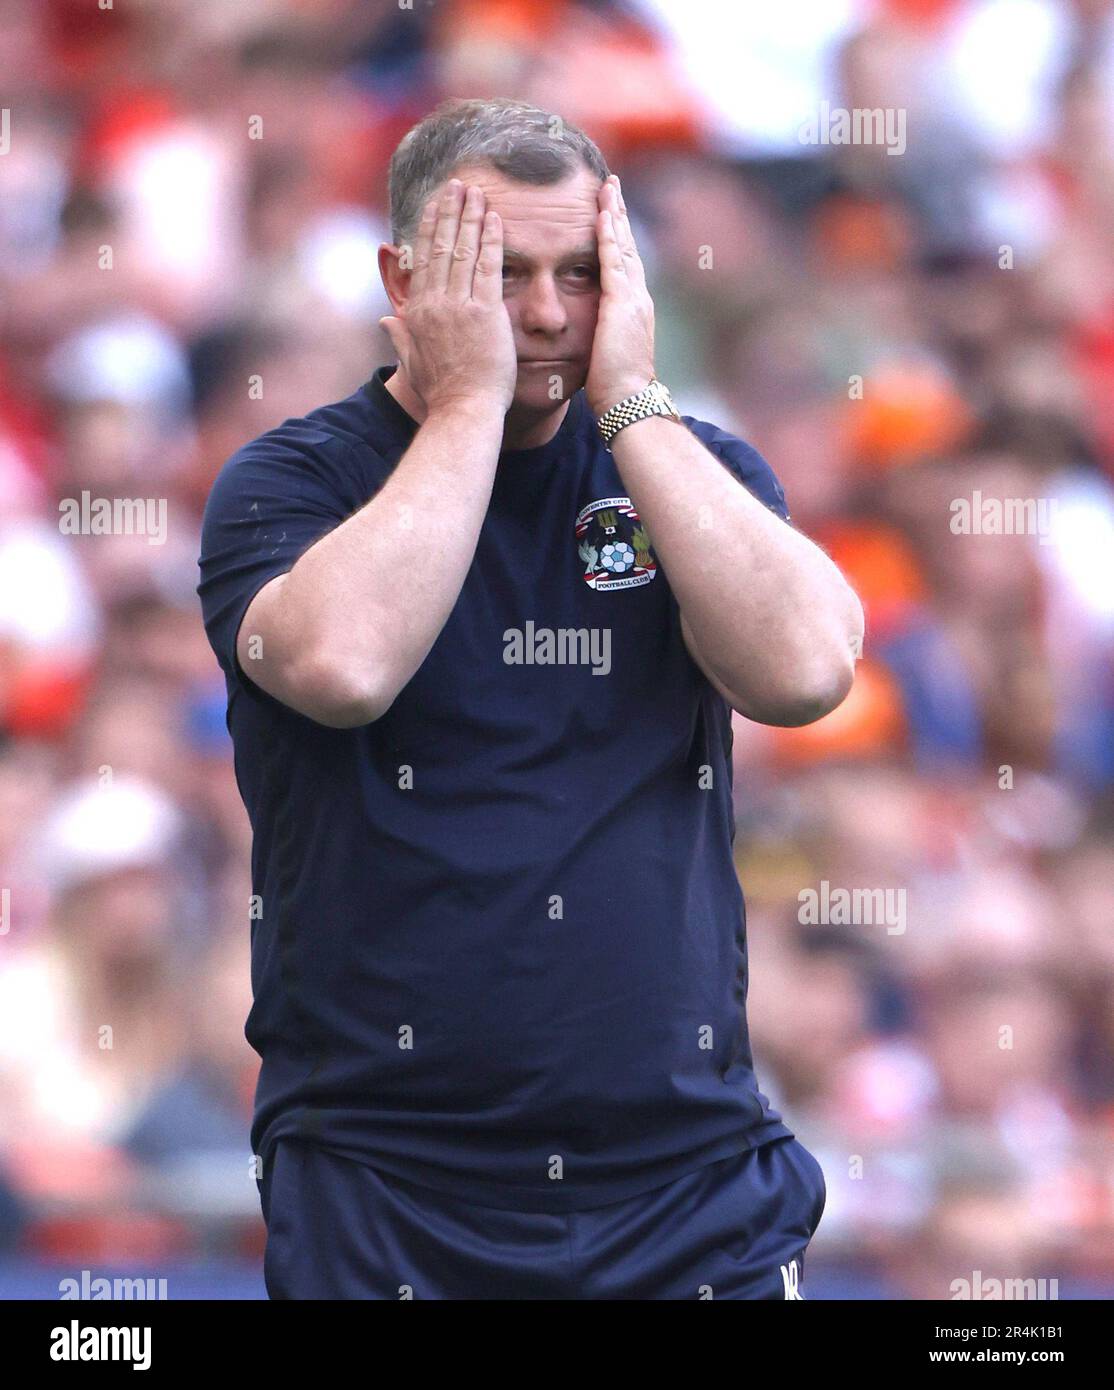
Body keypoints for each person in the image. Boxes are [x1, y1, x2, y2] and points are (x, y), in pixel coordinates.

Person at [197, 97, 863, 1300]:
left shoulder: (679, 467)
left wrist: (635, 406)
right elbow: (344, 667)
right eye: (500, 273)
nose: (548, 314)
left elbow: (807, 670)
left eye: (577, 272)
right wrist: (462, 404)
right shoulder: (291, 479)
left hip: (689, 1187)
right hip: (390, 1190)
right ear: (405, 278)